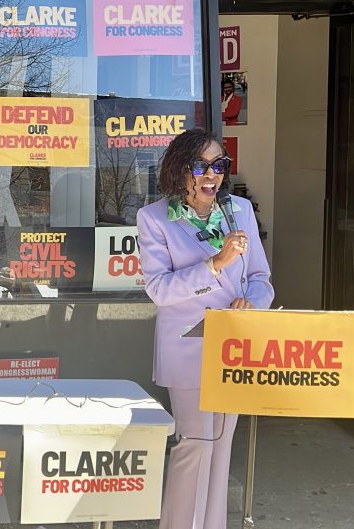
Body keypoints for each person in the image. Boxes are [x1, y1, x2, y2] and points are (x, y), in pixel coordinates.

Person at [136, 128, 273, 529]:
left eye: (219, 165)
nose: (211, 174)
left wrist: (252, 303)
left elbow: (261, 278)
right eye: (201, 165)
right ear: (180, 170)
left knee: (221, 447)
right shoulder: (155, 218)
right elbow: (159, 290)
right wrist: (215, 264)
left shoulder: (240, 211)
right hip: (188, 350)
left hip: (233, 348)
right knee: (195, 447)